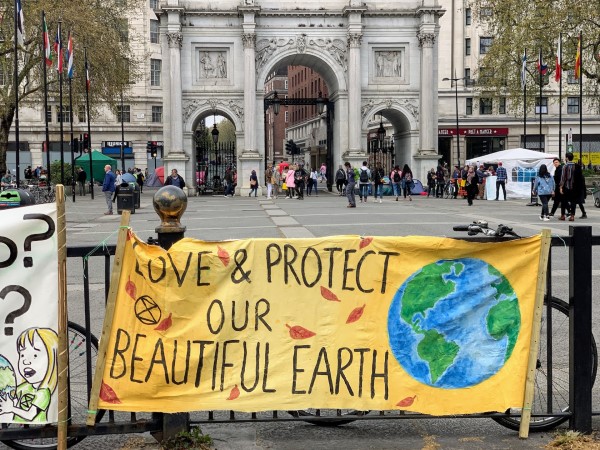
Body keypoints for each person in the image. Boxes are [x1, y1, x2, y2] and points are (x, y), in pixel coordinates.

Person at [0, 328, 58, 423]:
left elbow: (30, 415)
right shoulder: (26, 386)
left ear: (52, 359)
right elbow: (11, 393)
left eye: (35, 355)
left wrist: (11, 408)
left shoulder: (43, 393)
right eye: (22, 355)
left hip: (36, 426)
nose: (25, 361)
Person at [559, 152, 576, 221]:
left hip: (566, 186)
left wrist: (560, 187)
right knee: (573, 201)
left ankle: (563, 215)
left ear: (567, 158)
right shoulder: (576, 166)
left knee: (563, 201)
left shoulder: (565, 166)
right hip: (574, 187)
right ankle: (572, 216)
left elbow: (563, 177)